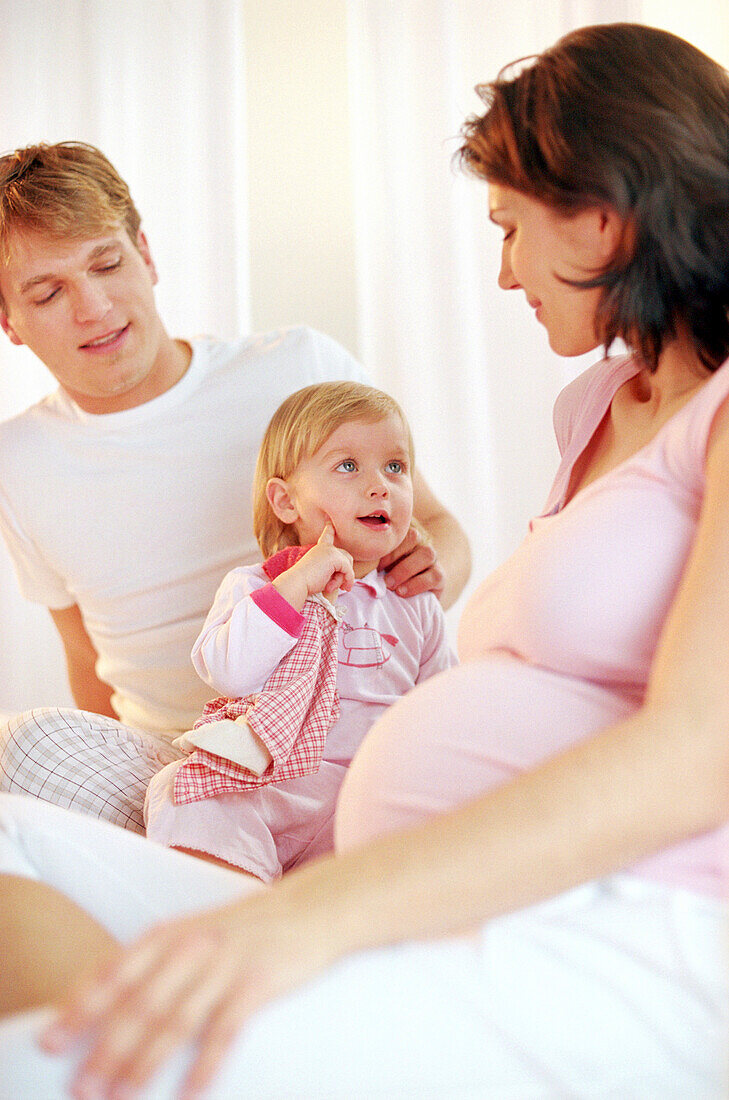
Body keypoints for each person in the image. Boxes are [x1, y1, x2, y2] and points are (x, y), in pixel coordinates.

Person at [0, 21, 728, 1099]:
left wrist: (301, 918)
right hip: (312, 818)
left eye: (510, 228)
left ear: (605, 221)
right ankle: (168, 1037)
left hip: (600, 919)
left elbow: (693, 754)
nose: (499, 270)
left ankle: (167, 1048)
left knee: (43, 1060)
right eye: (48, 291)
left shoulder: (714, 415)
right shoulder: (597, 410)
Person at [0, 142, 471, 833]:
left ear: (146, 254)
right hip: (180, 756)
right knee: (23, 754)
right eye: (48, 291)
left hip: (345, 741)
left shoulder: (299, 368)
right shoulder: (18, 461)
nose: (95, 306)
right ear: (8, 320)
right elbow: (86, 662)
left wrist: (432, 567)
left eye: (107, 263)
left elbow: (436, 529)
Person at [145, 381, 455, 878]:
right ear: (286, 502)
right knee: (181, 792)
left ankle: (334, 900)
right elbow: (227, 671)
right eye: (348, 466)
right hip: (277, 783)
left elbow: (444, 710)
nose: (380, 485)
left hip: (369, 796)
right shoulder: (255, 586)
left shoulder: (413, 603)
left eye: (395, 467)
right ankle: (233, 896)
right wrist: (297, 587)